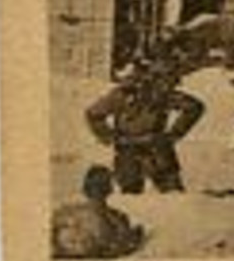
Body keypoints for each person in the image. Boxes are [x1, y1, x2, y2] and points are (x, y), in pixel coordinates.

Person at [84, 56, 205, 195]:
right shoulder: (122, 94)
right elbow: (93, 114)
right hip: (128, 150)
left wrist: (173, 135)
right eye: (166, 81)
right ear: (152, 79)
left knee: (174, 196)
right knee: (130, 198)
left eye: (171, 82)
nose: (169, 86)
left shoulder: (164, 95)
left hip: (157, 150)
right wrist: (111, 137)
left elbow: (194, 107)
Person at [51, 165, 143, 260]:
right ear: (110, 188)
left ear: (86, 188)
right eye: (109, 183)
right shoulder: (118, 219)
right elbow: (124, 245)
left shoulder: (65, 212)